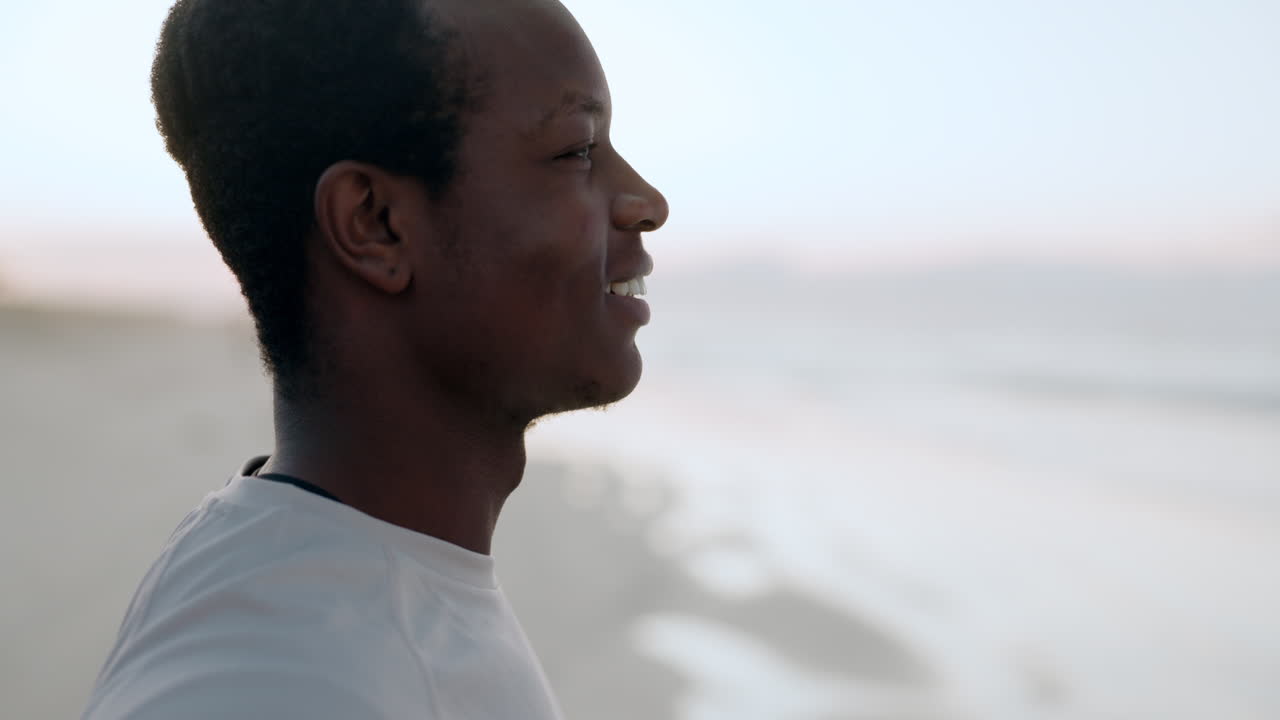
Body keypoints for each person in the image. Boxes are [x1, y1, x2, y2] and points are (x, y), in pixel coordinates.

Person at [81, 0, 668, 717]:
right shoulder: (271, 680)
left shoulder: (336, 572)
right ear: (375, 225)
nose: (647, 201)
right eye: (576, 150)